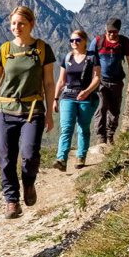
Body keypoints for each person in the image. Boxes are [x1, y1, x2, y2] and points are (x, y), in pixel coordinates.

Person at [0, 5, 55, 219]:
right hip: (5, 110)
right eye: (13, 23)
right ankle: (12, 201)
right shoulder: (3, 51)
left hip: (33, 110)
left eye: (21, 23)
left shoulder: (42, 49)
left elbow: (49, 83)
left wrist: (49, 113)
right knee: (6, 158)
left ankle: (29, 184)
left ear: (31, 24)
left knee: (30, 155)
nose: (16, 27)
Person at [53, 29, 101, 171]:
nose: (74, 42)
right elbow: (61, 81)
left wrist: (86, 92)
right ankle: (61, 158)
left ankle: (81, 156)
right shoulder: (67, 58)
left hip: (87, 98)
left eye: (77, 40)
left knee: (83, 127)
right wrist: (55, 98)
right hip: (68, 97)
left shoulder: (92, 57)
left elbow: (97, 77)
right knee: (66, 128)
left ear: (84, 41)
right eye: (72, 40)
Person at [91, 17, 129, 144]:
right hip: (100, 81)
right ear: (106, 29)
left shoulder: (124, 42)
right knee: (101, 107)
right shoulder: (98, 41)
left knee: (114, 111)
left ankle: (110, 135)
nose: (111, 34)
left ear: (119, 31)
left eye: (114, 32)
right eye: (109, 31)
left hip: (117, 82)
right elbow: (89, 62)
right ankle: (101, 138)